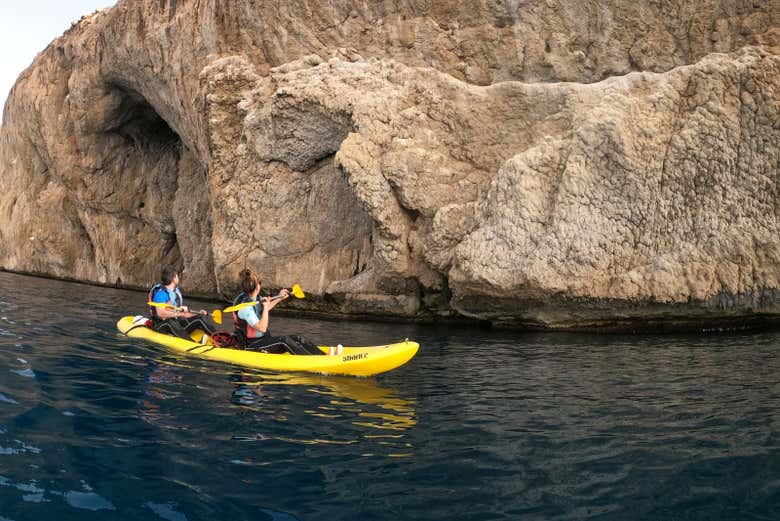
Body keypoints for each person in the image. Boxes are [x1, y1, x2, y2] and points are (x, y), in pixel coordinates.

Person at [232, 269, 329, 355]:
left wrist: (280, 297)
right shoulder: (245, 307)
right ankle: (311, 362)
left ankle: (323, 357)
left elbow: (264, 307)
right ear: (257, 287)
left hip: (264, 340)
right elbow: (262, 328)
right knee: (284, 341)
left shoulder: (255, 298)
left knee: (297, 338)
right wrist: (265, 307)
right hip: (252, 345)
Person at [148, 266, 216, 343]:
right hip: (161, 325)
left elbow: (183, 314)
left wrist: (199, 313)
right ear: (173, 279)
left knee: (198, 318)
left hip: (175, 324)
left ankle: (220, 338)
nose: (178, 278)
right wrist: (179, 313)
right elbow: (161, 313)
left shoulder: (175, 292)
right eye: (177, 276)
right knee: (170, 322)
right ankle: (193, 344)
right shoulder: (161, 294)